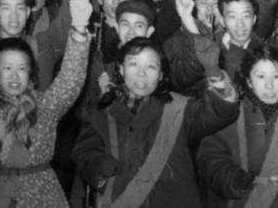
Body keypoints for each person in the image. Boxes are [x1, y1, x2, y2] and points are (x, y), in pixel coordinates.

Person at [0, 0, 92, 208]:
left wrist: (80, 32)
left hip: (42, 194)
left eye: (22, 69)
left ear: (31, 71)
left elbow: (70, 80)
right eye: (7, 68)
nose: (15, 76)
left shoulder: (46, 106)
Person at [73, 37, 239, 208]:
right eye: (133, 64)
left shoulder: (178, 109)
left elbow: (221, 113)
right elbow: (84, 152)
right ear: (121, 69)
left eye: (151, 66)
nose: (141, 73)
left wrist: (213, 70)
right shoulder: (101, 113)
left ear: (161, 75)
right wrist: (98, 167)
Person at [198, 45, 278, 208]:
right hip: (242, 200)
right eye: (261, 76)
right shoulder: (231, 114)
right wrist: (229, 178)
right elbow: (210, 157)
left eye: (276, 76)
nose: (269, 85)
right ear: (249, 81)